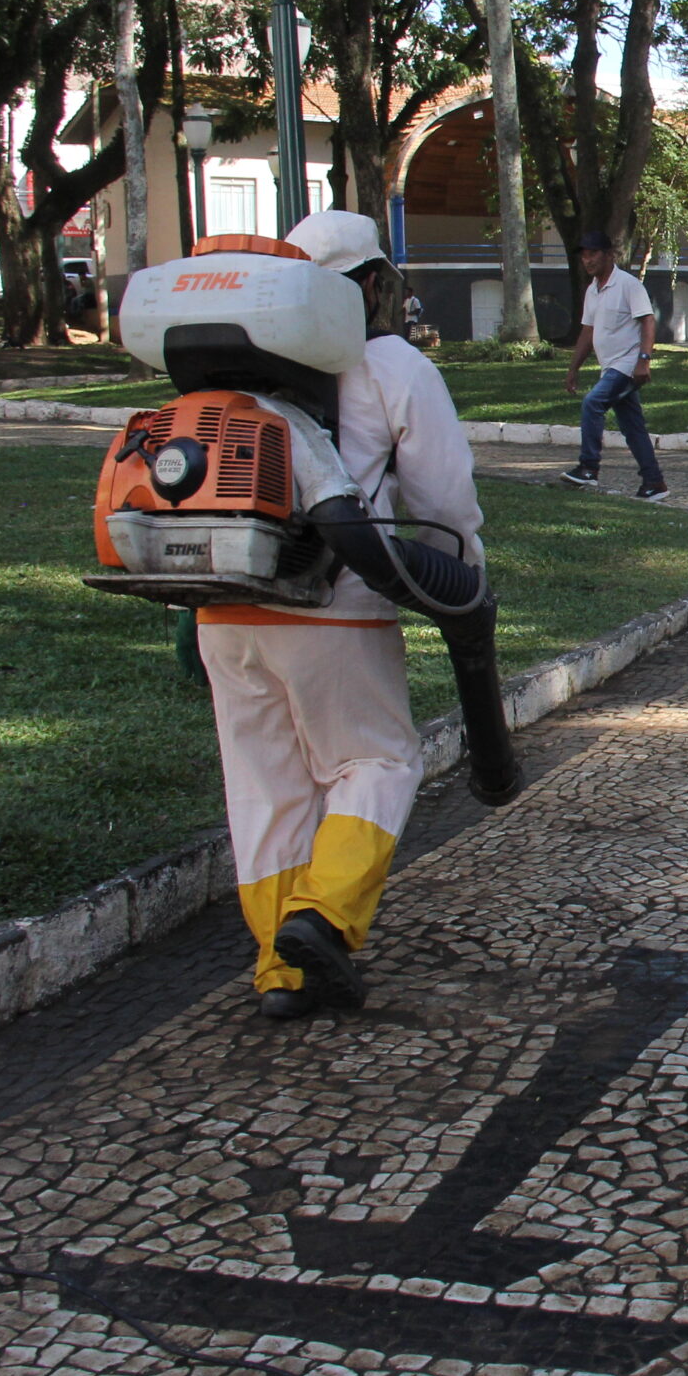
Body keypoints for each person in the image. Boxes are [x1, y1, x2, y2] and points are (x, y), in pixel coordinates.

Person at [198, 211, 485, 1019]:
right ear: (371, 284)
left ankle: (279, 972)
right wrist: (459, 579)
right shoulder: (390, 363)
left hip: (225, 607)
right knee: (378, 761)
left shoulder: (235, 358)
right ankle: (323, 916)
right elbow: (440, 498)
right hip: (337, 606)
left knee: (267, 789)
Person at [560, 229, 670, 502]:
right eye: (584, 256)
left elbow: (648, 321)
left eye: (593, 254)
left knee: (592, 402)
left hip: (628, 364)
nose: (588, 260)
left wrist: (644, 360)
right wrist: (573, 369)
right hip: (609, 366)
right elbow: (587, 331)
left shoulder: (628, 285)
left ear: (610, 255)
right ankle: (654, 482)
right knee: (633, 427)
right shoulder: (592, 291)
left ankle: (588, 467)